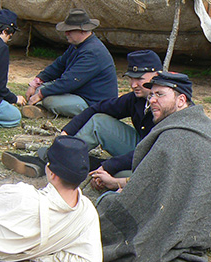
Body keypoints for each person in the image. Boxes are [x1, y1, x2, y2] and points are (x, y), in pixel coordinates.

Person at [94, 72, 211, 262]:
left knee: (107, 208)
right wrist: (116, 182)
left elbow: (146, 189)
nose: (152, 100)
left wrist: (116, 195)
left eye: (160, 95)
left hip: (207, 225)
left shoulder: (175, 138)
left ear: (181, 100)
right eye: (151, 95)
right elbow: (160, 178)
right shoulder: (201, 124)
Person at [62, 49, 162, 189]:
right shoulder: (136, 99)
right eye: (131, 78)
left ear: (157, 75)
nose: (133, 85)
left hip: (159, 159)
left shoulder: (168, 104)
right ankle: (64, 158)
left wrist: (109, 166)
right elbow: (98, 108)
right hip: (142, 148)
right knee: (99, 121)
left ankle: (97, 170)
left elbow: (155, 151)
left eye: (139, 78)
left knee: (126, 175)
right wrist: (66, 133)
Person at [22, 8, 118, 118]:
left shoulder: (93, 52)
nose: (66, 33)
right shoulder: (78, 45)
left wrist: (41, 94)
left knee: (49, 100)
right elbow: (58, 65)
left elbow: (69, 81)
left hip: (93, 102)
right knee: (42, 89)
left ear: (82, 30)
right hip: (78, 93)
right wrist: (35, 83)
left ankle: (45, 110)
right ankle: (42, 109)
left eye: (70, 30)